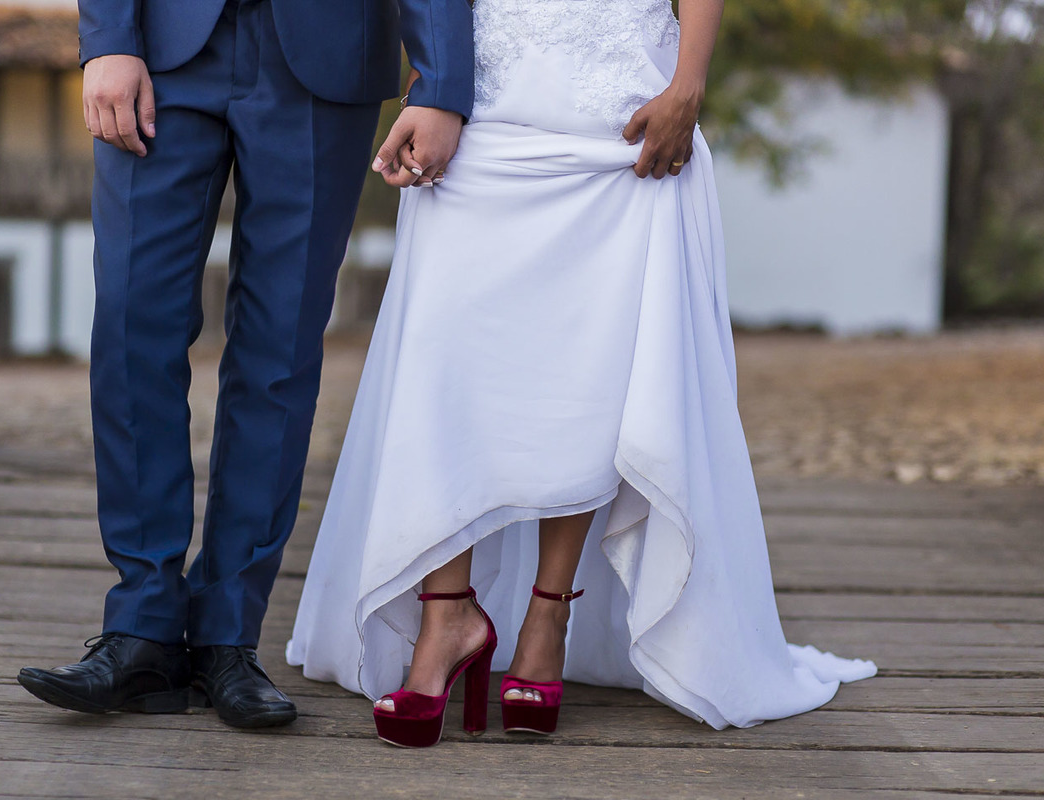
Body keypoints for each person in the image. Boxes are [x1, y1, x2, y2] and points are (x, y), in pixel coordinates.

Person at [287, 0, 878, 747]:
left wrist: (688, 83)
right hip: (485, 106)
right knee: (450, 366)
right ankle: (447, 616)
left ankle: (549, 613)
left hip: (620, 110)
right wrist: (434, 82)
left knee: (590, 372)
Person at [17, 0, 473, 730]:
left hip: (326, 55)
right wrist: (107, 38)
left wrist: (444, 80)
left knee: (280, 351)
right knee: (132, 323)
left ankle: (229, 631)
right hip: (163, 49)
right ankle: (142, 626)